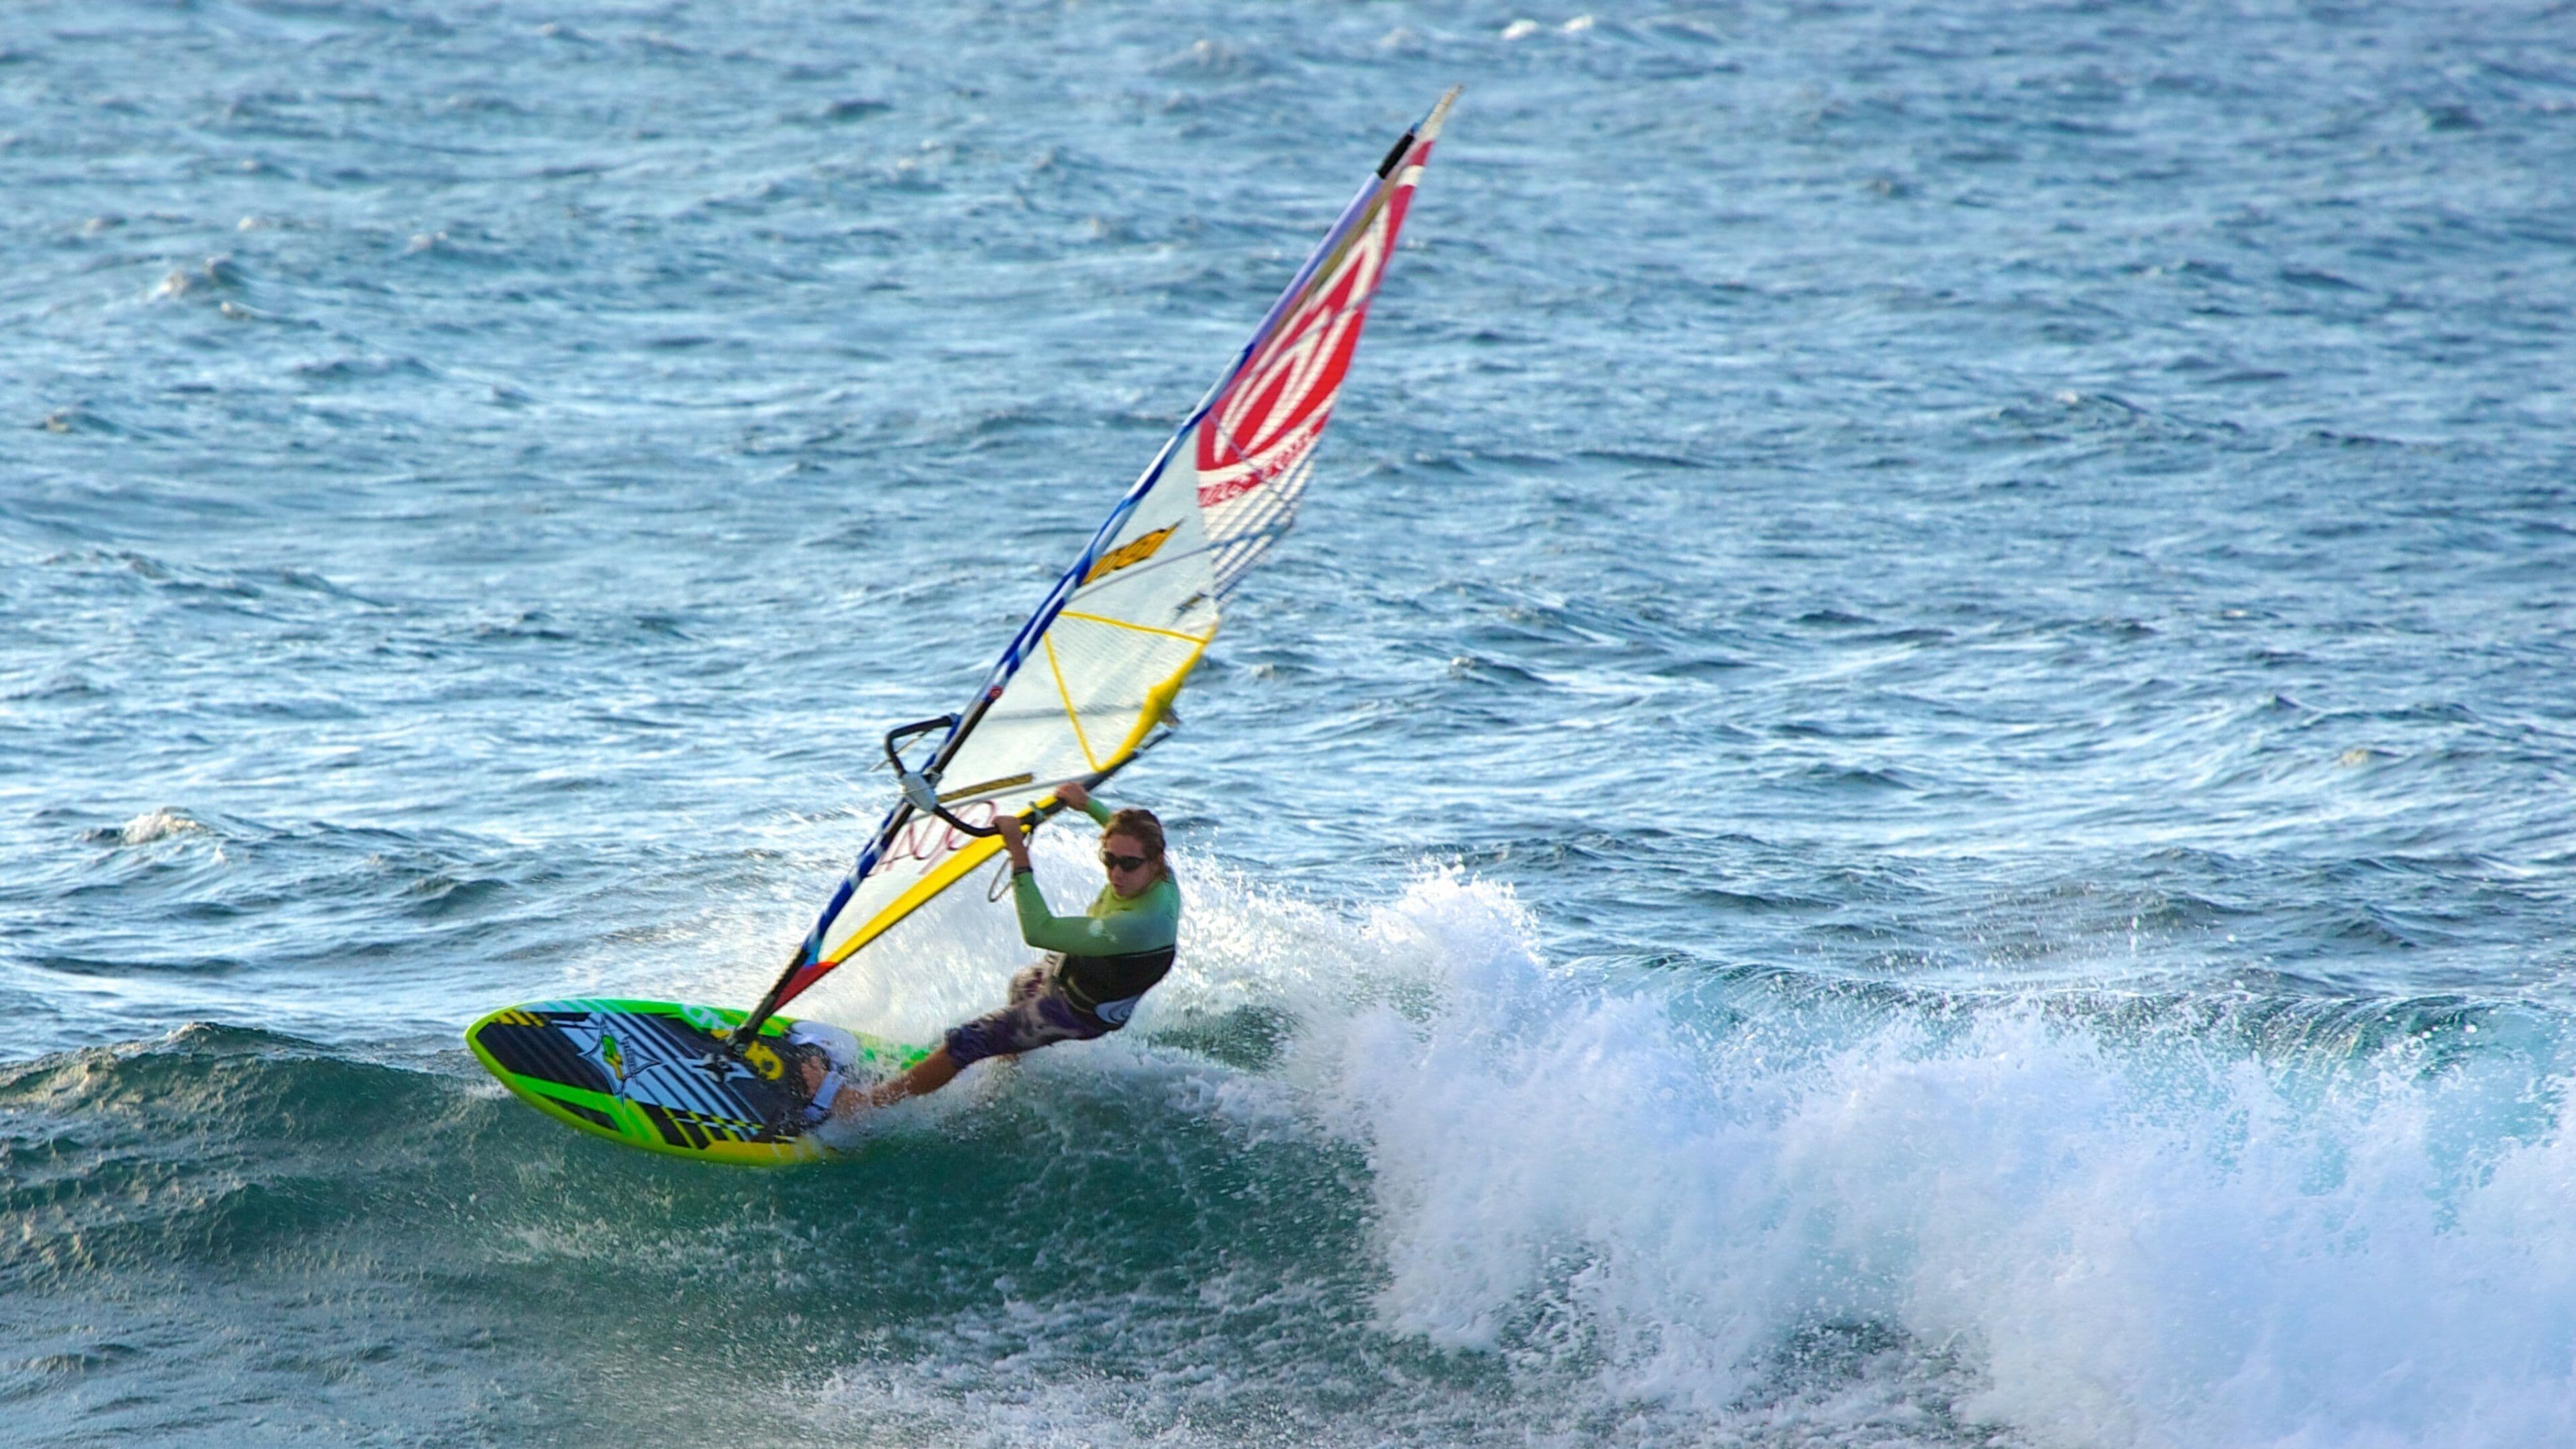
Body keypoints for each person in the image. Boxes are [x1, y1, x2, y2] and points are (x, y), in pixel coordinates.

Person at [810, 780, 1180, 1120]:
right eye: (1109, 859)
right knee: (1020, 985)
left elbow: (1040, 931)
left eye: (1129, 864)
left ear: (1156, 861)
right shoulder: (1156, 874)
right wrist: (1087, 805)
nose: (1116, 873)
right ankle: (1008, 1068)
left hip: (1081, 1010)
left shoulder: (1138, 924)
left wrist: (1018, 853)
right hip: (1082, 973)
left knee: (967, 1040)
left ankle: (861, 1106)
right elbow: (1124, 832)